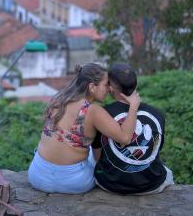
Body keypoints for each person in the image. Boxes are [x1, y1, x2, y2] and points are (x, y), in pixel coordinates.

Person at [27, 63, 141, 194]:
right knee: (96, 154)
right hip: (73, 183)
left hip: (37, 177)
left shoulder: (58, 99)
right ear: (92, 87)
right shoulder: (93, 111)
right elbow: (125, 138)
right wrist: (133, 106)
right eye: (106, 84)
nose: (110, 89)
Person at [92, 62, 174, 195]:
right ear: (136, 85)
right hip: (152, 186)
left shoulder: (101, 114)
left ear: (111, 88)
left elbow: (97, 156)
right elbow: (156, 149)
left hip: (110, 185)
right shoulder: (158, 114)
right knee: (168, 172)